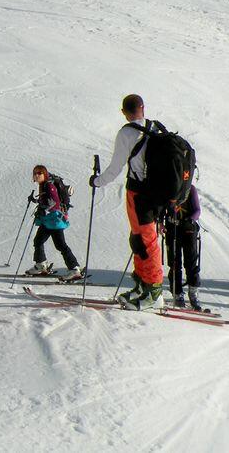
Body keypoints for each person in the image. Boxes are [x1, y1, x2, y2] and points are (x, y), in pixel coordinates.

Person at [89, 94, 164, 310]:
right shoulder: (156, 128)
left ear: (124, 112)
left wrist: (97, 181)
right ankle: (143, 284)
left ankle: (154, 292)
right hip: (157, 194)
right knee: (140, 239)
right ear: (143, 107)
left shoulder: (127, 133)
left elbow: (116, 167)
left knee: (146, 240)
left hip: (138, 193)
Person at [25, 166, 82, 281]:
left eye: (39, 173)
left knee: (61, 245)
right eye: (35, 173)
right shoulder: (43, 185)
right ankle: (41, 265)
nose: (36, 175)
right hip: (48, 221)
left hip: (55, 220)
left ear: (45, 174)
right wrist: (36, 201)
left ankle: (74, 269)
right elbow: (47, 200)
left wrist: (44, 210)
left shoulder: (49, 185)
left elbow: (55, 203)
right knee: (38, 241)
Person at [164, 186, 202, 309]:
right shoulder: (168, 188)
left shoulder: (190, 189)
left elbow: (197, 210)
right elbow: (161, 207)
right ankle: (177, 293)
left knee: (191, 263)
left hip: (188, 229)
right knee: (175, 263)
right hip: (172, 229)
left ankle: (193, 293)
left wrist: (190, 220)